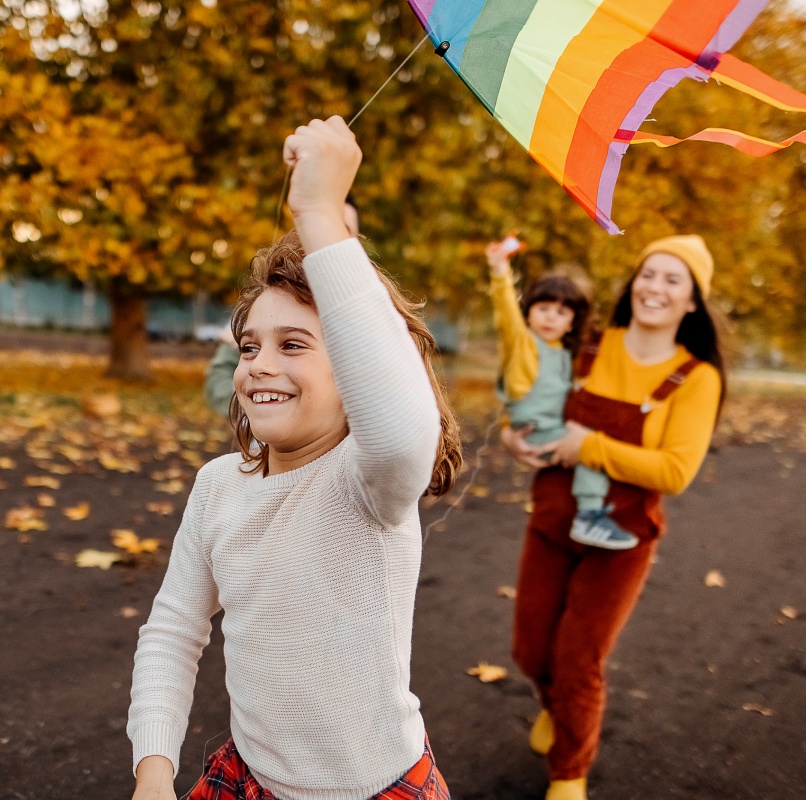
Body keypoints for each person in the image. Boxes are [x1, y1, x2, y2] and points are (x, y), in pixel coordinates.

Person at [128, 118, 462, 800]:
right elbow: (174, 628)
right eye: (250, 346)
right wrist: (154, 773)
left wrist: (317, 215)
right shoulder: (219, 485)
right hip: (248, 778)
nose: (259, 366)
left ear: (354, 376)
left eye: (294, 345)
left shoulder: (367, 484)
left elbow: (403, 430)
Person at [501, 235, 725, 800]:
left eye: (674, 279)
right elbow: (536, 398)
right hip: (551, 519)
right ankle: (553, 707)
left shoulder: (696, 377)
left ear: (693, 301)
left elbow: (675, 471)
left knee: (578, 660)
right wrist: (511, 435)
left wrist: (590, 446)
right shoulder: (590, 347)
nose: (656, 287)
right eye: (649, 273)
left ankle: (569, 772)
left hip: (622, 540)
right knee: (531, 650)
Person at [485, 243, 638, 549]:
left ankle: (590, 509)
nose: (550, 317)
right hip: (538, 436)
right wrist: (500, 270)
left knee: (590, 442)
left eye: (560, 311)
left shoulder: (565, 352)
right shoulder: (523, 346)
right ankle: (590, 514)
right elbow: (506, 312)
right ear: (528, 312)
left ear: (572, 321)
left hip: (546, 430)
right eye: (543, 308)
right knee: (589, 449)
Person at [203, 196, 361, 415]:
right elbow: (221, 391)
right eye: (248, 348)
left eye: (292, 345)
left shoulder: (373, 312)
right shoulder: (266, 297)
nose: (324, 238)